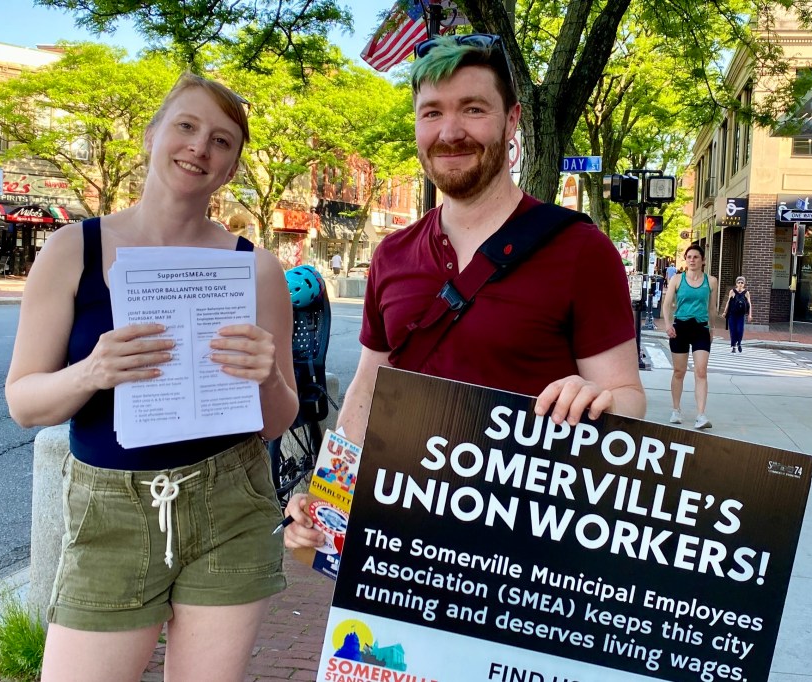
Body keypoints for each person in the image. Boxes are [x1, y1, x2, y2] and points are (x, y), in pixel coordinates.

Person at [283, 34, 645, 551]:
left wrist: (598, 402)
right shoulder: (392, 254)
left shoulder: (582, 251)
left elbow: (629, 399)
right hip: (404, 542)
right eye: (431, 113)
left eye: (473, 109)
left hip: (526, 548)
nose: (450, 132)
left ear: (512, 119)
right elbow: (367, 388)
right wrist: (327, 503)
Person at [5, 73, 298, 682]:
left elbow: (277, 420)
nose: (200, 147)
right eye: (186, 127)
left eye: (222, 140)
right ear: (150, 136)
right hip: (111, 509)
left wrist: (266, 377)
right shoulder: (70, 251)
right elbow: (24, 403)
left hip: (230, 502)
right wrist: (92, 371)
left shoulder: (257, 270)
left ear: (233, 166)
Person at [662, 243, 719, 430]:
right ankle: (675, 410)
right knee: (679, 371)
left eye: (696, 257)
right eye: (689, 257)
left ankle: (701, 415)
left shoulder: (711, 281)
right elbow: (667, 303)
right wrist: (668, 325)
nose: (692, 260)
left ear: (703, 261)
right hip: (680, 328)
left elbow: (712, 308)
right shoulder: (677, 279)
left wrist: (711, 328)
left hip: (701, 328)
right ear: (685, 260)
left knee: (701, 372)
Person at [721, 275, 753, 353]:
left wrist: (750, 314)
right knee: (733, 330)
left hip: (740, 315)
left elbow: (749, 304)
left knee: (739, 330)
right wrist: (725, 312)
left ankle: (739, 343)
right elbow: (728, 302)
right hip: (732, 315)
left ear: (744, 284)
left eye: (742, 282)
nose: (740, 284)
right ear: (736, 283)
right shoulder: (732, 291)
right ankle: (734, 346)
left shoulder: (746, 293)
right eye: (739, 282)